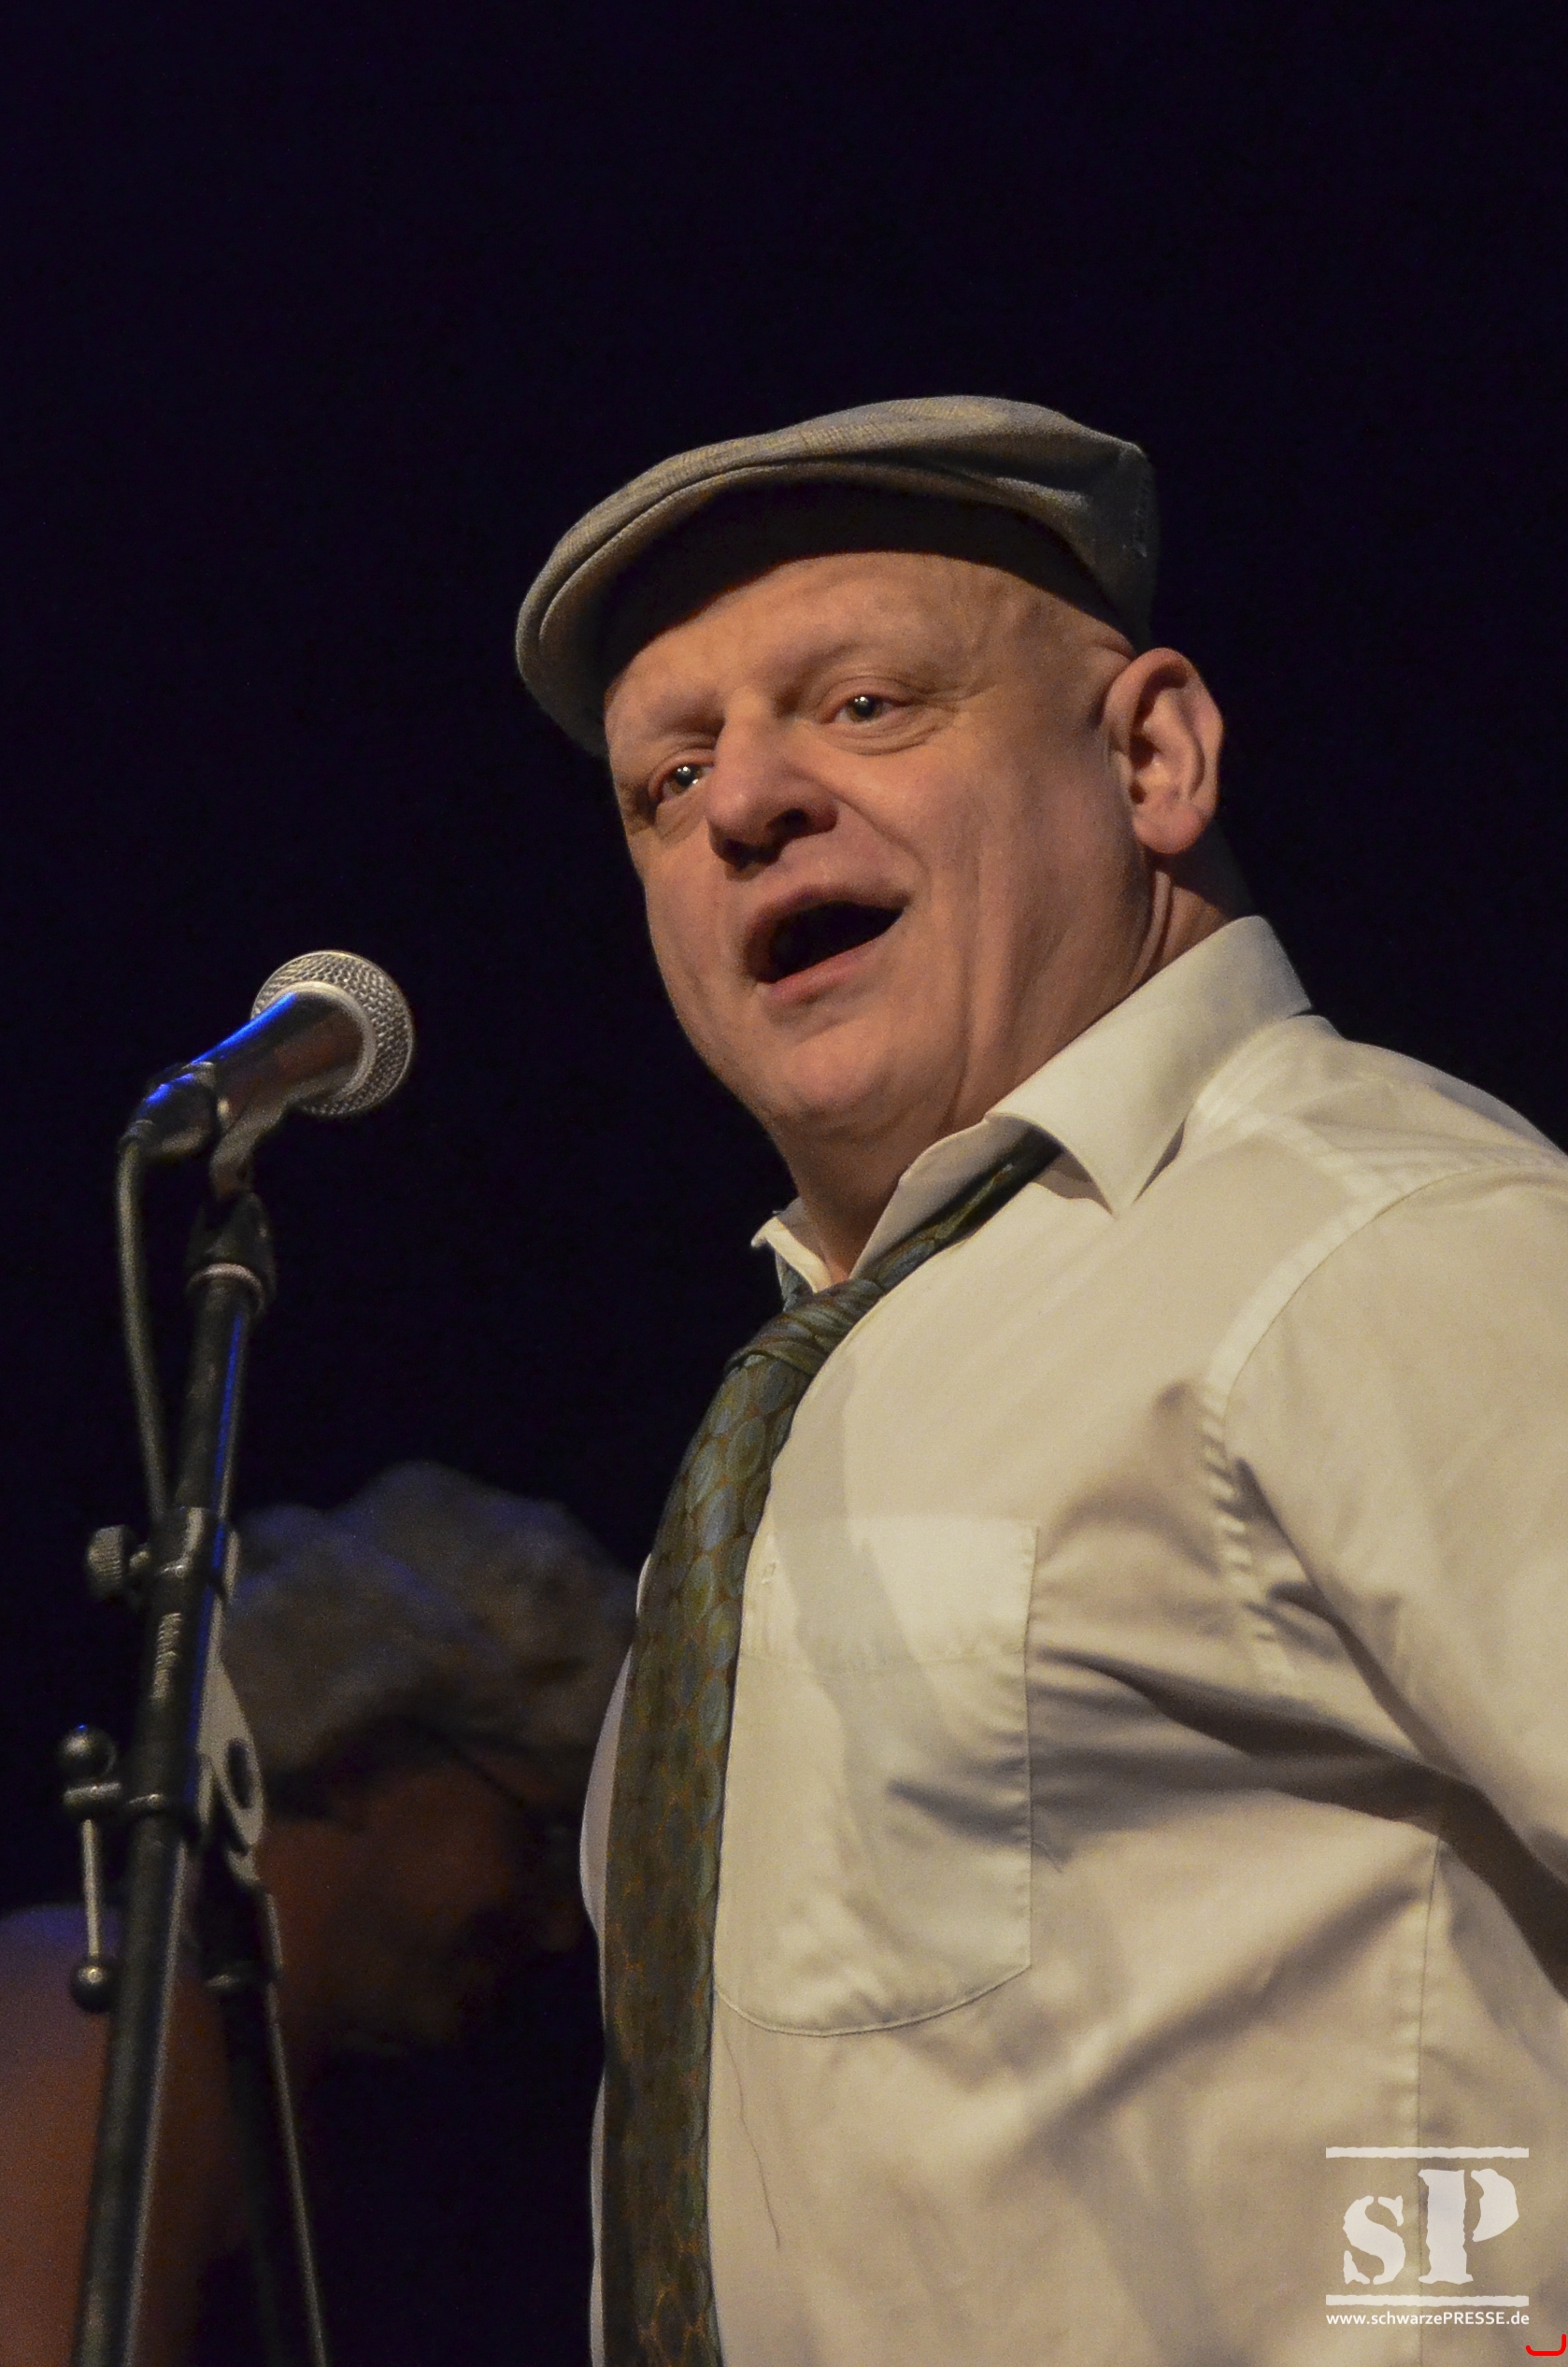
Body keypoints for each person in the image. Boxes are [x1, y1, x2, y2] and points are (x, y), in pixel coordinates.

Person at [513, 396, 1568, 2364]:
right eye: (669, 779)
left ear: (1150, 756)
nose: (742, 805)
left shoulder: (1373, 1243)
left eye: (862, 707)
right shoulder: (813, 1386)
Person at [0, 1462, 633, 2367]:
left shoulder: (266, 2074)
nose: (561, 1927)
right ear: (359, 1758)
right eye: (538, 1833)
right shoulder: (115, 2014)